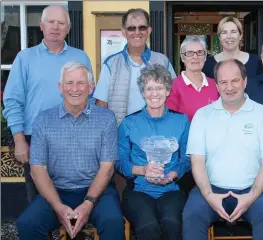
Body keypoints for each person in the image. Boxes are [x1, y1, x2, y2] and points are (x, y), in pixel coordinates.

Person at [16, 62, 124, 240]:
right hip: (56, 190)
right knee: (27, 223)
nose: (75, 89)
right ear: (60, 87)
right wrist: (58, 206)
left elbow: (107, 169)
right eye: (69, 83)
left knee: (113, 221)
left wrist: (88, 204)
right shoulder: (43, 120)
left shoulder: (106, 119)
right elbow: (37, 170)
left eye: (81, 83)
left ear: (90, 88)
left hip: (97, 191)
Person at [2, 5, 93, 204]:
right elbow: (12, 101)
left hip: (74, 137)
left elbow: (90, 99)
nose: (55, 27)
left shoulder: (80, 57)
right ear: (41, 25)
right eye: (51, 22)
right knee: (39, 201)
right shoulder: (24, 58)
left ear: (68, 28)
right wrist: (19, 140)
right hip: (35, 138)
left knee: (71, 198)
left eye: (61, 23)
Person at [182, 59, 263, 240]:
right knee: (191, 216)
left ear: (245, 81)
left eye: (234, 80)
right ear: (217, 86)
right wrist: (209, 195)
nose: (229, 87)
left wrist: (251, 196)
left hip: (253, 189)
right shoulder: (203, 115)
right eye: (223, 82)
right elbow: (197, 161)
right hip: (210, 189)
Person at [116, 64, 190, 240]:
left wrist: (173, 173)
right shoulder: (128, 123)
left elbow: (187, 159)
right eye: (149, 88)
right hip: (138, 191)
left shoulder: (181, 121)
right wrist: (142, 170)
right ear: (142, 92)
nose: (154, 93)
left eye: (159, 88)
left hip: (171, 190)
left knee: (172, 224)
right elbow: (119, 161)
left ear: (167, 91)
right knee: (148, 226)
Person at [94, 8, 176, 125]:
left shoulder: (162, 61)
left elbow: (174, 97)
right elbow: (101, 105)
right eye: (131, 28)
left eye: (142, 27)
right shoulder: (111, 64)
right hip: (122, 135)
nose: (137, 32)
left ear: (149, 31)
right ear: (123, 32)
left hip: (157, 132)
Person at [166, 35, 219, 122]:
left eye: (200, 52)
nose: (195, 56)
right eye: (190, 53)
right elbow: (172, 121)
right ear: (183, 57)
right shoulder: (173, 86)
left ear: (205, 56)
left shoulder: (215, 85)